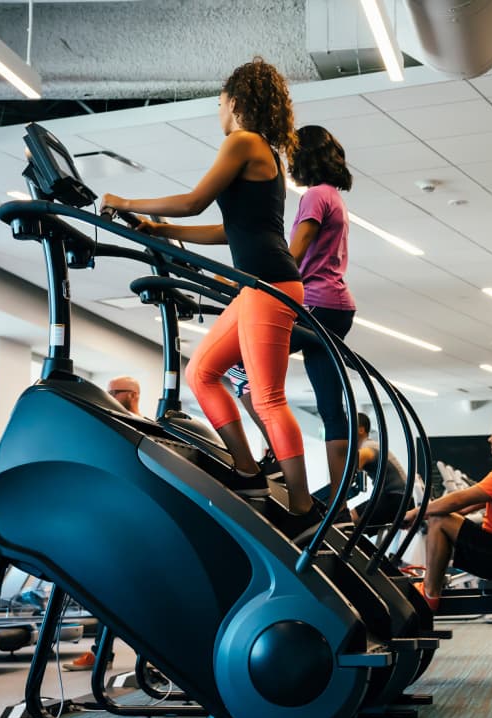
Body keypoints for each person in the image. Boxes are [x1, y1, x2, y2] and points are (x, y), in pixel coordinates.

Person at [102, 58, 318, 533]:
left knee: (267, 397)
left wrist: (126, 201)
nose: (219, 112)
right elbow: (231, 229)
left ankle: (303, 507)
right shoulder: (264, 153)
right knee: (203, 373)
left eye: (220, 103)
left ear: (236, 102)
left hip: (270, 284)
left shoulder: (242, 142)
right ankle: (247, 469)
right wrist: (162, 229)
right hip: (258, 284)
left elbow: (195, 199)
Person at [227, 124, 358, 510]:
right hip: (338, 309)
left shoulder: (316, 195)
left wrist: (260, 288)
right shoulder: (333, 196)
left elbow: (293, 254)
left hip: (315, 305)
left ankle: (276, 454)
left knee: (237, 368)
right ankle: (340, 505)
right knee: (331, 409)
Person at [403, 410, 492, 610]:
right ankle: (432, 588)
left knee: (440, 521)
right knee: (439, 519)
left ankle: (429, 595)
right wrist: (425, 518)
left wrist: (416, 512)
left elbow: (459, 499)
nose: (490, 438)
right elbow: (466, 508)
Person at [65, 375, 143, 671]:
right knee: (106, 594)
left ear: (132, 395)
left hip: (135, 527)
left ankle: (146, 659)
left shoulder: (142, 429)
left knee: (135, 597)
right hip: (112, 527)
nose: (109, 396)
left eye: (114, 392)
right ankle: (101, 654)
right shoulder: (109, 428)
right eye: (106, 392)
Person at [350, 412, 412, 528]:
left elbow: (349, 471)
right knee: (353, 520)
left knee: (349, 518)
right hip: (400, 499)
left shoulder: (367, 447)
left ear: (361, 430)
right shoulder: (373, 445)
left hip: (395, 499)